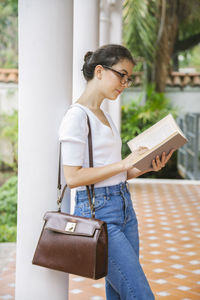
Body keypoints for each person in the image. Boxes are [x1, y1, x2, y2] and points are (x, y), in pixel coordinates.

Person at [58, 44, 174, 300]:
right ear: (99, 71)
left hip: (123, 207)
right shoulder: (77, 117)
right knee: (140, 293)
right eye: (121, 74)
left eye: (128, 78)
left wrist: (143, 167)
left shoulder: (106, 117)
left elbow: (113, 174)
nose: (124, 83)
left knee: (119, 292)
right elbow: (74, 177)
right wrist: (123, 164)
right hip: (99, 213)